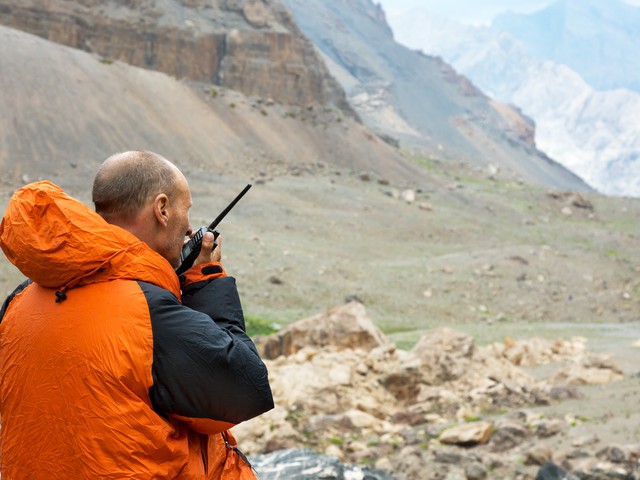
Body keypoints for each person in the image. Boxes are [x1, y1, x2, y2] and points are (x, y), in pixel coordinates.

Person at [0, 151, 274, 479]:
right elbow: (244, 391)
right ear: (161, 209)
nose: (188, 228)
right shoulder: (148, 311)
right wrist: (207, 280)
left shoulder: (19, 301)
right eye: (185, 211)